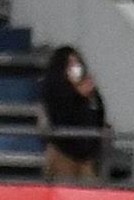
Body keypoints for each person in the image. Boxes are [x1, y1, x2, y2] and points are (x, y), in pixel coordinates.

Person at [37, 46, 107, 183]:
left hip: (86, 153)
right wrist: (78, 95)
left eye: (77, 62)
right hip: (63, 151)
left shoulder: (89, 90)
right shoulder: (53, 89)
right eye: (70, 63)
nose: (75, 67)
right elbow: (61, 117)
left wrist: (92, 96)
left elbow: (98, 115)